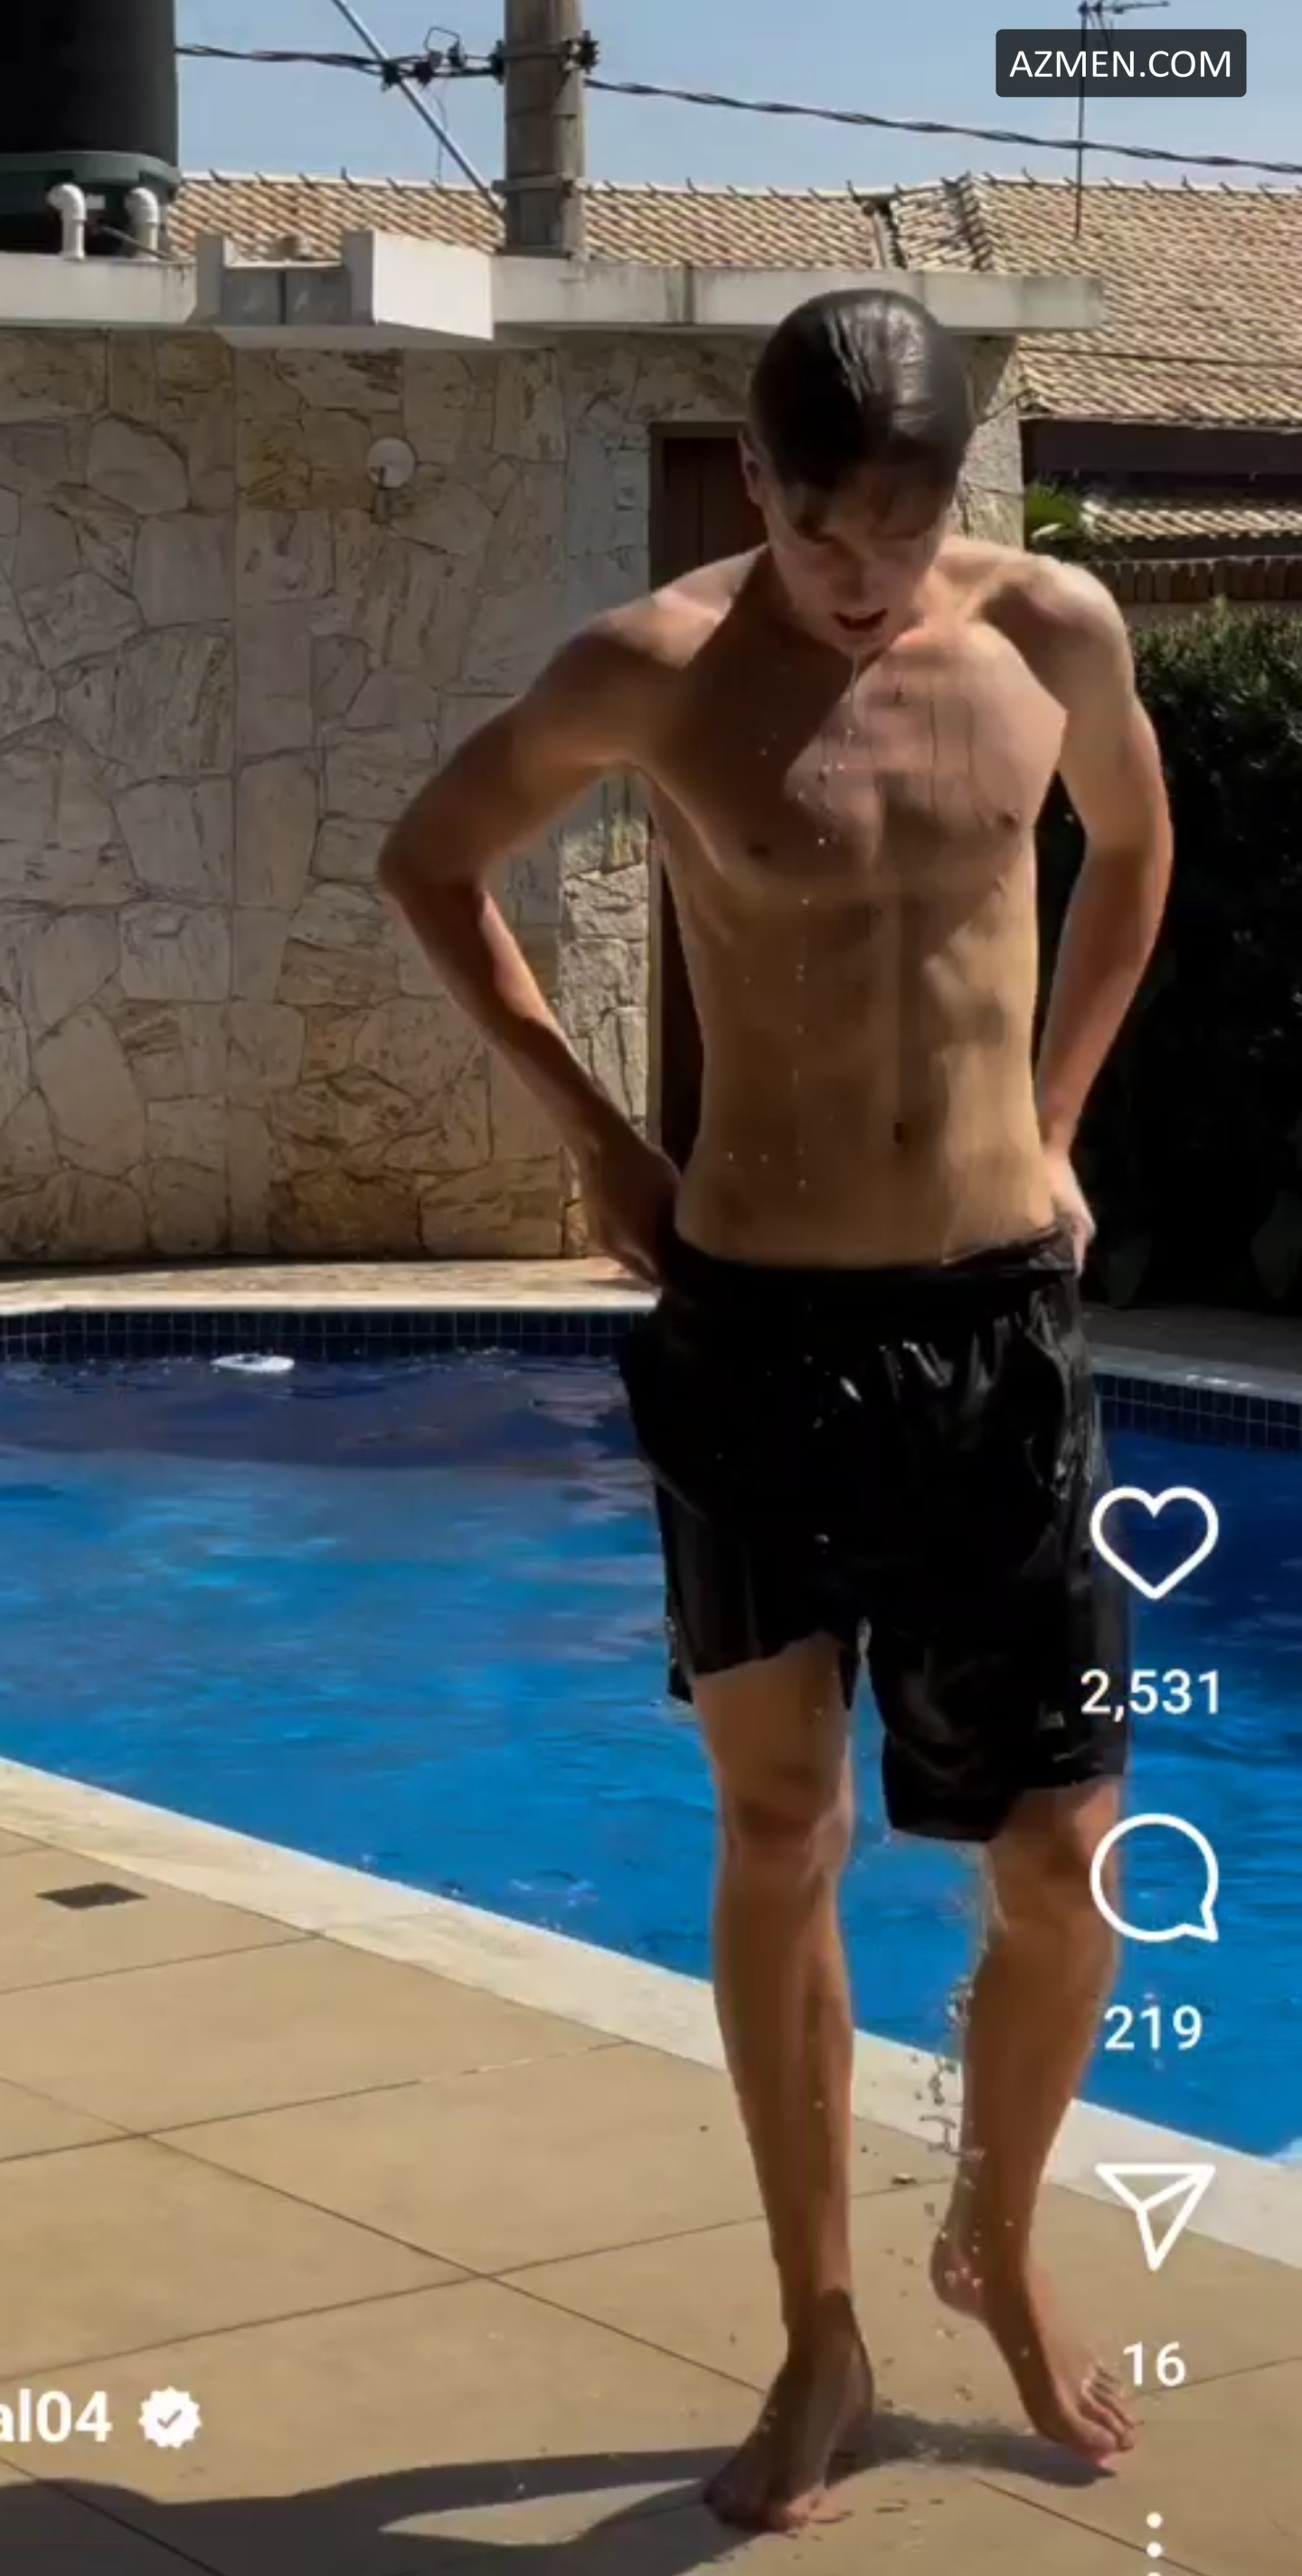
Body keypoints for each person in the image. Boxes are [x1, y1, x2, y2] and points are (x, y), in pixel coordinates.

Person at [380, 287, 1174, 2533]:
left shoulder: (1052, 632)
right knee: (778, 1829)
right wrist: (595, 1140)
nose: (868, 581)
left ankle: (992, 2242)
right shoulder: (654, 668)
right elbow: (433, 859)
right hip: (754, 1329)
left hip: (996, 1324)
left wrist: (1060, 1118)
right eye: (830, 539)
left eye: (905, 536)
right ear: (759, 488)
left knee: (1063, 1862)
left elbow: (1133, 854)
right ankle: (820, 2325)